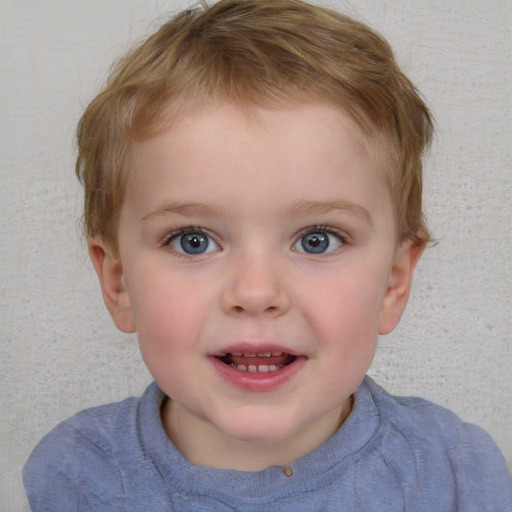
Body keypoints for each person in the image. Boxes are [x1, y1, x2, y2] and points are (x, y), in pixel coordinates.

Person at [22, 0, 511, 510]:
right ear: (119, 282)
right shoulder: (77, 475)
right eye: (194, 240)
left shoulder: (459, 474)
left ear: (392, 282)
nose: (255, 293)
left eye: (317, 239)